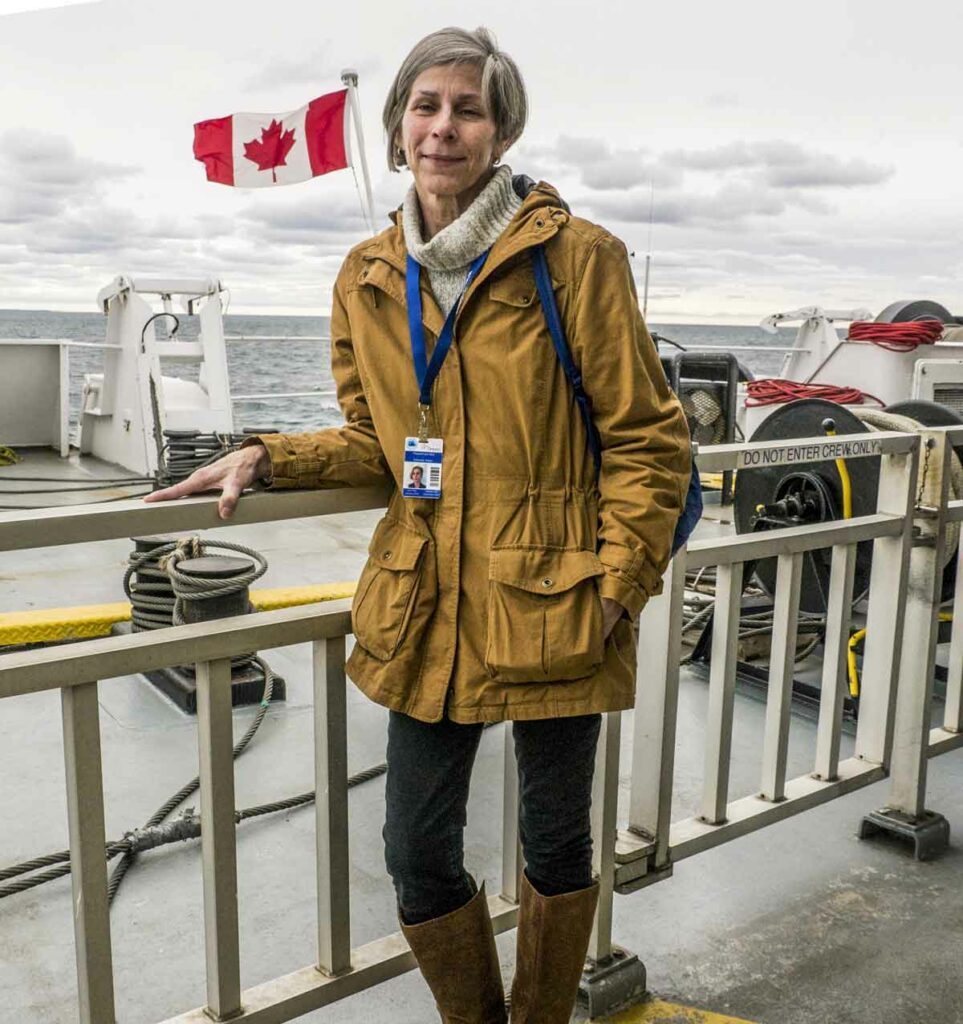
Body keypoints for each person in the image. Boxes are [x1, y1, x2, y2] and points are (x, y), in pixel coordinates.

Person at [147, 25, 691, 1023]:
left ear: (500, 131)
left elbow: (652, 443)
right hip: (427, 603)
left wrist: (617, 589)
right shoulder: (365, 274)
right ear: (399, 127)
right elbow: (376, 440)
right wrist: (270, 454)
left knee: (558, 844)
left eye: (469, 108)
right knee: (415, 851)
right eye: (427, 106)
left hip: (558, 597)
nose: (445, 127)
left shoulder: (577, 259)